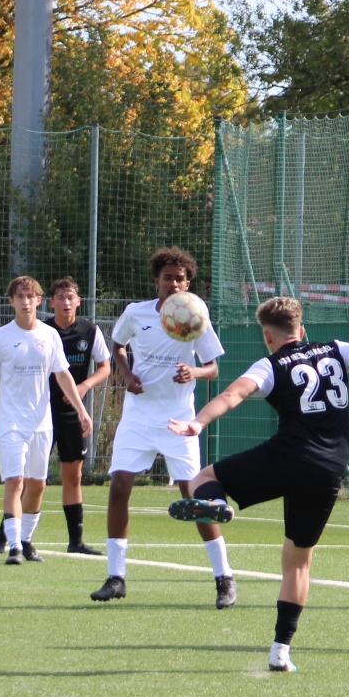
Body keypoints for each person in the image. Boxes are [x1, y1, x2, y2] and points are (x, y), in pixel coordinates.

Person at [164, 296, 349, 672]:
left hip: (288, 456)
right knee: (298, 563)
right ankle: (280, 651)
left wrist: (197, 423)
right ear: (302, 329)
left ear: (267, 336)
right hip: (329, 469)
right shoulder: (335, 349)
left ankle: (217, 504)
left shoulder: (269, 364)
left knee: (204, 477)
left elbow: (232, 394)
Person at [93, 248, 235, 608]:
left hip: (178, 420)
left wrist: (194, 371)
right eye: (168, 277)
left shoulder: (195, 315)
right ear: (157, 279)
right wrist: (127, 374)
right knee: (119, 487)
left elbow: (213, 368)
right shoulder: (136, 313)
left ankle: (224, 578)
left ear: (187, 283)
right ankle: (116, 577)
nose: (174, 283)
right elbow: (118, 346)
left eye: (180, 278)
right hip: (138, 417)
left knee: (195, 498)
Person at [0, 277, 93, 566]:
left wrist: (82, 411)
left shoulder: (50, 335)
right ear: (11, 301)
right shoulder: (1, 336)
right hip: (11, 422)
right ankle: (13, 547)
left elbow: (63, 374)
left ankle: (25, 540)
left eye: (30, 296)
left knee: (38, 484)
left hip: (42, 423)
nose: (25, 301)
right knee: (15, 481)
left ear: (39, 300)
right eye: (20, 296)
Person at [46, 277, 113, 553]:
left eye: (70, 297)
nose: (66, 302)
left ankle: (76, 541)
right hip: (42, 412)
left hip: (73, 413)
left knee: (73, 476)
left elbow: (105, 367)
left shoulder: (90, 331)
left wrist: (84, 386)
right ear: (51, 302)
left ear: (78, 301)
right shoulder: (42, 331)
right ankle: (9, 533)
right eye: (60, 298)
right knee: (31, 476)